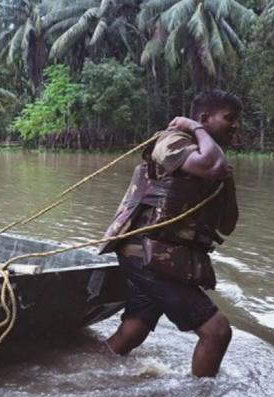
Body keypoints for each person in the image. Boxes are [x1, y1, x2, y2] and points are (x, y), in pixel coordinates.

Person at [99, 90, 241, 378]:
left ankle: (86, 370)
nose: (235, 125)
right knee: (216, 331)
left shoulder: (215, 161)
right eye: (229, 118)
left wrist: (225, 177)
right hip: (146, 253)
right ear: (203, 118)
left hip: (164, 255)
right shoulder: (172, 140)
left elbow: (226, 223)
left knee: (135, 329)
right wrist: (195, 129)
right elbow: (208, 165)